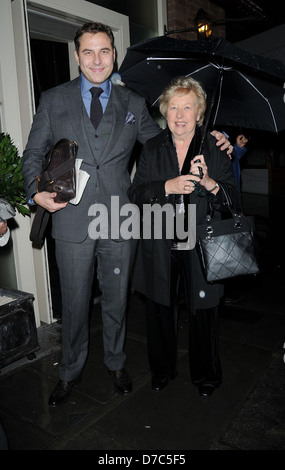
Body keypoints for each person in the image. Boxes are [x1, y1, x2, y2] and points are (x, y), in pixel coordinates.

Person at [22, 22, 232, 407]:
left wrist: (211, 136)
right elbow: (33, 154)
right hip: (70, 220)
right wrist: (35, 192)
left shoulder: (132, 102)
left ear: (113, 55)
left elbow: (167, 142)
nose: (97, 59)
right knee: (74, 303)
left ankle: (117, 364)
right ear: (77, 56)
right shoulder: (54, 99)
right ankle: (69, 371)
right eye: (88, 51)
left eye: (105, 51)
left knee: (117, 299)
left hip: (120, 219)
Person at [127, 76, 240, 398]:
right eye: (173, 107)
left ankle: (206, 375)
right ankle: (162, 371)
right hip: (161, 242)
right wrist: (168, 186)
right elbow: (134, 192)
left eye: (187, 107)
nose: (179, 114)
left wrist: (209, 183)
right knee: (160, 308)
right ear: (165, 111)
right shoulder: (152, 147)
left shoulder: (215, 148)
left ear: (199, 113)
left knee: (203, 312)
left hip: (201, 242)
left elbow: (234, 199)